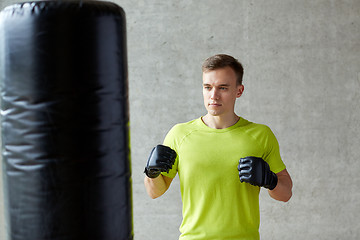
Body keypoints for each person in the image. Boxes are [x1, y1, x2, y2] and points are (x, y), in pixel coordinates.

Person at [144, 54, 293, 240]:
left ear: (239, 91)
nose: (213, 96)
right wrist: (152, 173)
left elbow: (286, 194)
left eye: (223, 88)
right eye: (208, 87)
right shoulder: (179, 134)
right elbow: (154, 192)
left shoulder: (261, 135)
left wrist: (271, 181)